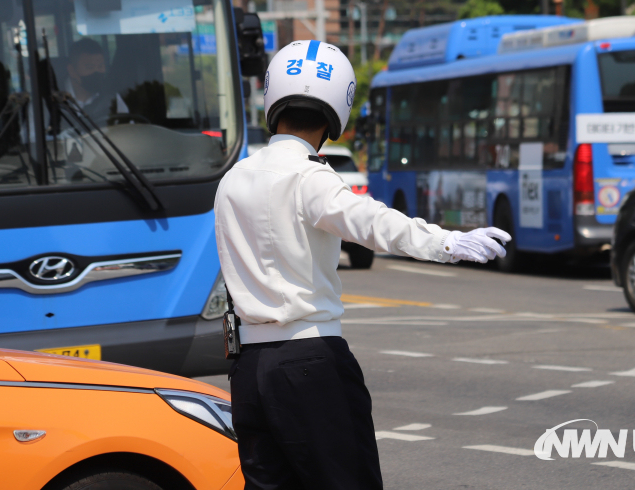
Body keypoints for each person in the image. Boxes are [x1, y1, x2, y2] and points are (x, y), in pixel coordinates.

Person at [214, 39, 511, 490]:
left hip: (248, 369)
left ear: (273, 97)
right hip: (311, 362)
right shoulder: (309, 176)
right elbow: (372, 221)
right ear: (338, 107)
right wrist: (449, 242)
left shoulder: (232, 180)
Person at [65, 38, 127, 122]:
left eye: (100, 66)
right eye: (90, 67)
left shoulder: (112, 98)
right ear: (72, 70)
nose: (96, 72)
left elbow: (128, 128)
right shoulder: (54, 99)